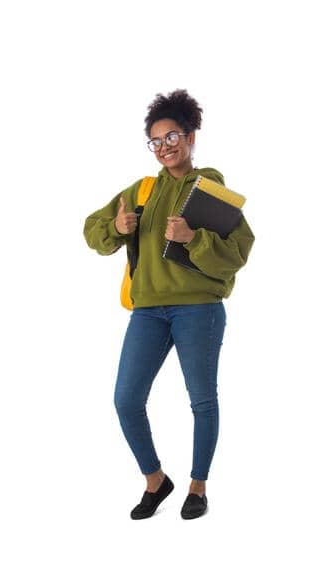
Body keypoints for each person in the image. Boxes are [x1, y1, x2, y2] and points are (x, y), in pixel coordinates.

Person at [84, 90, 253, 521]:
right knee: (126, 400)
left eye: (173, 136)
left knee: (201, 400)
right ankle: (156, 481)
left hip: (199, 309)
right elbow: (91, 229)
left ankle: (197, 486)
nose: (165, 147)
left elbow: (240, 250)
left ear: (192, 136)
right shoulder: (142, 190)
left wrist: (193, 239)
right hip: (148, 312)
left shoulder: (210, 187)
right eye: (156, 141)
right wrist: (117, 226)